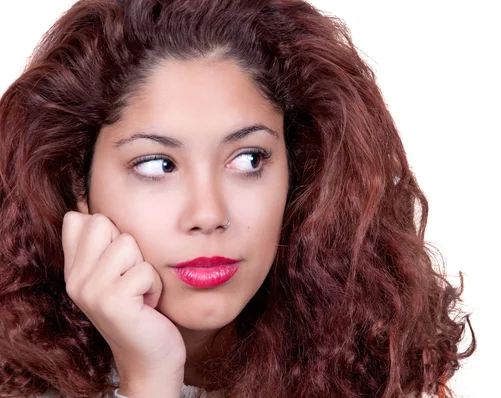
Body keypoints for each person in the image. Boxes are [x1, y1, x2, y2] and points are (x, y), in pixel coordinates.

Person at [0, 0, 475, 397]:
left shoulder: (369, 368)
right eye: (158, 165)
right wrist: (149, 378)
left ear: (300, 171)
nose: (208, 214)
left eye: (248, 160)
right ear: (76, 185)